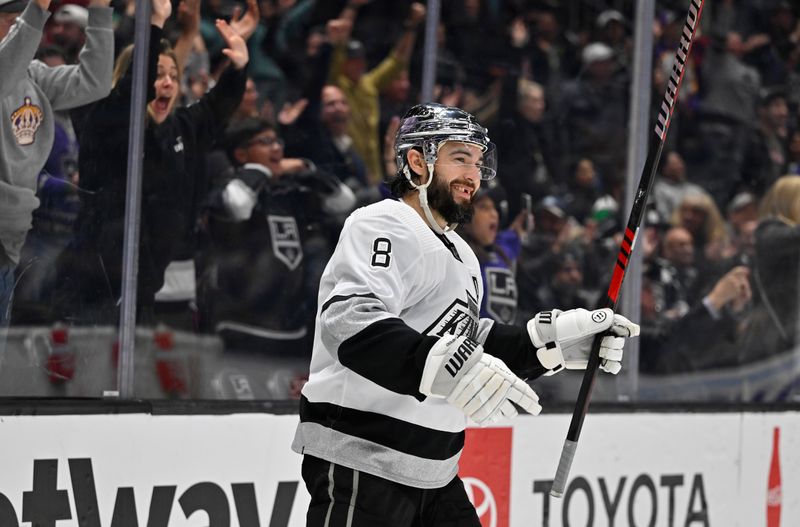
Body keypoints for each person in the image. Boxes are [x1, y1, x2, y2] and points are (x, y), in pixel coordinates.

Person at [291, 103, 639, 526]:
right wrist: (443, 365)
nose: (473, 175)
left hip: (437, 475)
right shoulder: (383, 222)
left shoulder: (462, 254)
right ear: (417, 162)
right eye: (459, 158)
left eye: (477, 162)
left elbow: (466, 342)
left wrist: (552, 343)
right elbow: (349, 323)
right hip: (364, 462)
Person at [53, 0, 248, 326]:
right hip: (92, 279)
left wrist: (238, 69)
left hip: (146, 284)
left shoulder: (178, 128)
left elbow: (215, 110)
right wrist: (154, 25)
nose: (169, 83)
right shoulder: (104, 122)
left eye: (173, 75)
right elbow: (132, 93)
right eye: (158, 75)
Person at [0, 0, 113, 328]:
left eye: (25, 22)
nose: (25, 31)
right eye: (12, 21)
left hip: (13, 235)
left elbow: (95, 83)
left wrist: (101, 14)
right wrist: (36, 11)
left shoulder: (34, 77)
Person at [199, 118, 355, 354]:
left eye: (277, 141)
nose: (276, 148)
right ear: (241, 154)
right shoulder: (227, 187)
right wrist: (260, 171)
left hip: (290, 327)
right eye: (265, 142)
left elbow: (344, 201)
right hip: (237, 324)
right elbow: (238, 205)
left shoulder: (288, 192)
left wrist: (310, 171)